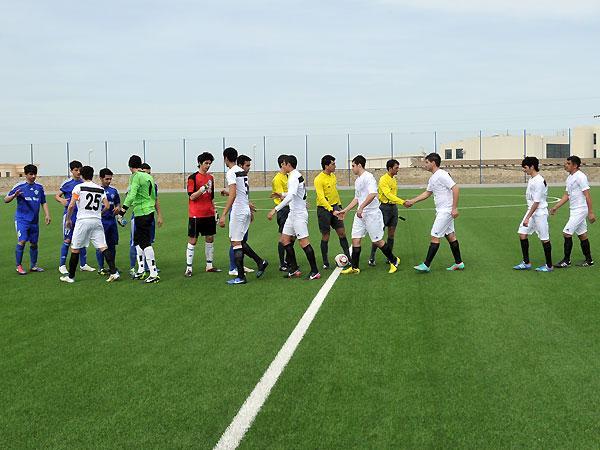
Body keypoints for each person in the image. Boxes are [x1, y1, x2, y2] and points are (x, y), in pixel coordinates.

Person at [334, 155, 400, 275]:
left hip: (372, 214)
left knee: (377, 241)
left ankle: (394, 260)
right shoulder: (358, 180)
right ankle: (355, 267)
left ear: (359, 165)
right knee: (355, 239)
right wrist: (345, 210)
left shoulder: (368, 177)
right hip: (360, 215)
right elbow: (357, 198)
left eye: (353, 166)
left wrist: (362, 207)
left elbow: (373, 194)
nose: (352, 168)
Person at [404, 153, 464, 272]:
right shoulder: (433, 178)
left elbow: (455, 188)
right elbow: (427, 193)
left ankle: (426, 265)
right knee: (451, 236)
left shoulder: (442, 174)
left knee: (435, 236)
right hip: (442, 210)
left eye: (426, 162)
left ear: (433, 162)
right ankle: (459, 263)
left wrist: (454, 208)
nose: (425, 165)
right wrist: (412, 201)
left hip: (446, 211)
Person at [59, 166, 120, 283]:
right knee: (103, 247)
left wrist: (68, 219)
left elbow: (71, 205)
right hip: (97, 221)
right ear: (92, 175)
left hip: (83, 221)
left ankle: (70, 277)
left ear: (82, 175)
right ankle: (114, 272)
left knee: (75, 249)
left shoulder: (78, 187)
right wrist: (99, 214)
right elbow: (107, 206)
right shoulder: (100, 189)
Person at [218, 148, 268, 285]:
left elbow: (233, 194)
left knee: (235, 242)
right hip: (245, 208)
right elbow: (242, 192)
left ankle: (240, 276)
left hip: (239, 210)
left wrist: (223, 214)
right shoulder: (241, 171)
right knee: (238, 241)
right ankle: (260, 262)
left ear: (225, 158)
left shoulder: (231, 172)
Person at [268, 154, 321, 280]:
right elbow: (294, 192)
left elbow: (291, 196)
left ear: (288, 164)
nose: (282, 166)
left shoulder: (293, 177)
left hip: (299, 215)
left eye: (284, 164)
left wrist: (275, 209)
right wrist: (281, 194)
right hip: (293, 214)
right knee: (285, 240)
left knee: (304, 242)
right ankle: (294, 268)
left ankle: (315, 271)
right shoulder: (294, 175)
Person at [115, 155, 160, 283]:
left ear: (129, 166)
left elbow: (131, 195)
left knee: (145, 242)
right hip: (148, 211)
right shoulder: (148, 176)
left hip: (142, 212)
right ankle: (141, 270)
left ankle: (153, 273)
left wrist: (122, 211)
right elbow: (153, 196)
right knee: (138, 241)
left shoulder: (135, 176)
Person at [4, 164, 51, 274]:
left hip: (34, 221)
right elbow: (6, 200)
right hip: (22, 220)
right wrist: (14, 195)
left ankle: (33, 266)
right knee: (22, 241)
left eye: (35, 174)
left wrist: (47, 214)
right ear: (25, 174)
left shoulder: (39, 187)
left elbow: (43, 202)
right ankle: (19, 266)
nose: (33, 176)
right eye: (31, 174)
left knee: (34, 243)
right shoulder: (19, 186)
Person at [550, 155, 595, 267]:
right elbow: (567, 195)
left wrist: (590, 212)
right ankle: (589, 260)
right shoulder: (570, 177)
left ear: (575, 165)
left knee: (566, 233)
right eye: (566, 163)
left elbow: (587, 195)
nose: (565, 165)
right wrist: (556, 207)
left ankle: (566, 261)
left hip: (580, 210)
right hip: (574, 210)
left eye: (568, 163)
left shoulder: (581, 177)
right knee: (582, 235)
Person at [512, 156, 553, 272]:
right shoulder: (532, 179)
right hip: (531, 211)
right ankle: (526, 263)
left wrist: (527, 217)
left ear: (532, 167)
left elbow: (537, 202)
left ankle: (549, 266)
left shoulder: (539, 181)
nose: (523, 170)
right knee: (522, 233)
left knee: (544, 238)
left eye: (525, 167)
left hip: (540, 213)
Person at [185, 152, 221, 276]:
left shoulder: (211, 178)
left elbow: (211, 197)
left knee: (210, 238)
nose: (208, 165)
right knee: (193, 240)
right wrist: (201, 189)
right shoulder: (192, 178)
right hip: (196, 214)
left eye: (210, 163)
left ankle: (209, 266)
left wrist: (215, 211)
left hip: (209, 214)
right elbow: (192, 197)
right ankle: (189, 268)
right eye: (206, 163)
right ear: (200, 163)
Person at [56, 160, 95, 273]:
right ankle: (62, 265)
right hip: (69, 216)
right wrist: (61, 200)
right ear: (71, 171)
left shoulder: (84, 183)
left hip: (81, 217)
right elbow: (57, 195)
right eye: (76, 170)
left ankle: (83, 264)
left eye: (80, 170)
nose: (78, 172)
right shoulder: (67, 183)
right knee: (67, 240)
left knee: (82, 240)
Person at [313, 154, 350, 269]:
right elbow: (321, 197)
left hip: (335, 208)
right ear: (326, 166)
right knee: (326, 235)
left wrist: (339, 206)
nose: (335, 166)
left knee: (342, 232)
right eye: (333, 164)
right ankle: (325, 262)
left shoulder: (333, 176)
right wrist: (331, 209)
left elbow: (335, 192)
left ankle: (349, 258)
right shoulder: (318, 179)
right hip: (324, 210)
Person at [368, 159, 405, 266]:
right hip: (384, 209)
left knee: (391, 234)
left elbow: (393, 195)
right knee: (378, 235)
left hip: (393, 208)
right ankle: (372, 257)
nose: (398, 170)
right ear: (390, 168)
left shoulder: (393, 179)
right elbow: (388, 195)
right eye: (396, 168)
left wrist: (397, 203)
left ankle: (390, 257)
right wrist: (403, 202)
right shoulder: (383, 179)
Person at [96, 168, 121, 275]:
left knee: (112, 245)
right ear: (101, 178)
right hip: (101, 222)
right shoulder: (96, 190)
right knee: (101, 245)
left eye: (110, 179)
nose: (109, 181)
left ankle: (112, 267)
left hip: (112, 222)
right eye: (107, 179)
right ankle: (101, 268)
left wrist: (118, 208)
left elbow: (118, 203)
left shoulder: (113, 191)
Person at [271, 154, 290, 271]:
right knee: (283, 237)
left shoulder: (288, 176)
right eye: (287, 163)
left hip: (290, 208)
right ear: (282, 164)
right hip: (283, 209)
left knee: (292, 236)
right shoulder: (277, 179)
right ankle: (282, 263)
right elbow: (281, 196)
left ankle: (288, 260)